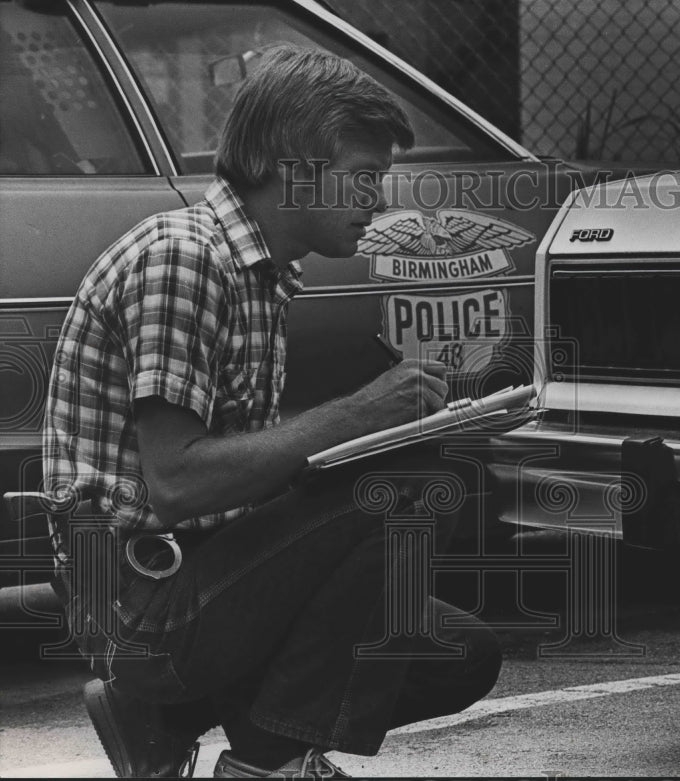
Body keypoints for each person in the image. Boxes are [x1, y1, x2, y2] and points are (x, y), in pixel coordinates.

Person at [42, 45, 501, 778]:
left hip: (203, 575)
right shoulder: (184, 260)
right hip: (143, 602)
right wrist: (359, 416)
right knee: (409, 487)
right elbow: (179, 484)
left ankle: (169, 716)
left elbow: (246, 483)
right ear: (295, 168)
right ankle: (265, 763)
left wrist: (395, 432)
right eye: (363, 178)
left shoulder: (260, 276)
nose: (377, 203)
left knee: (459, 654)